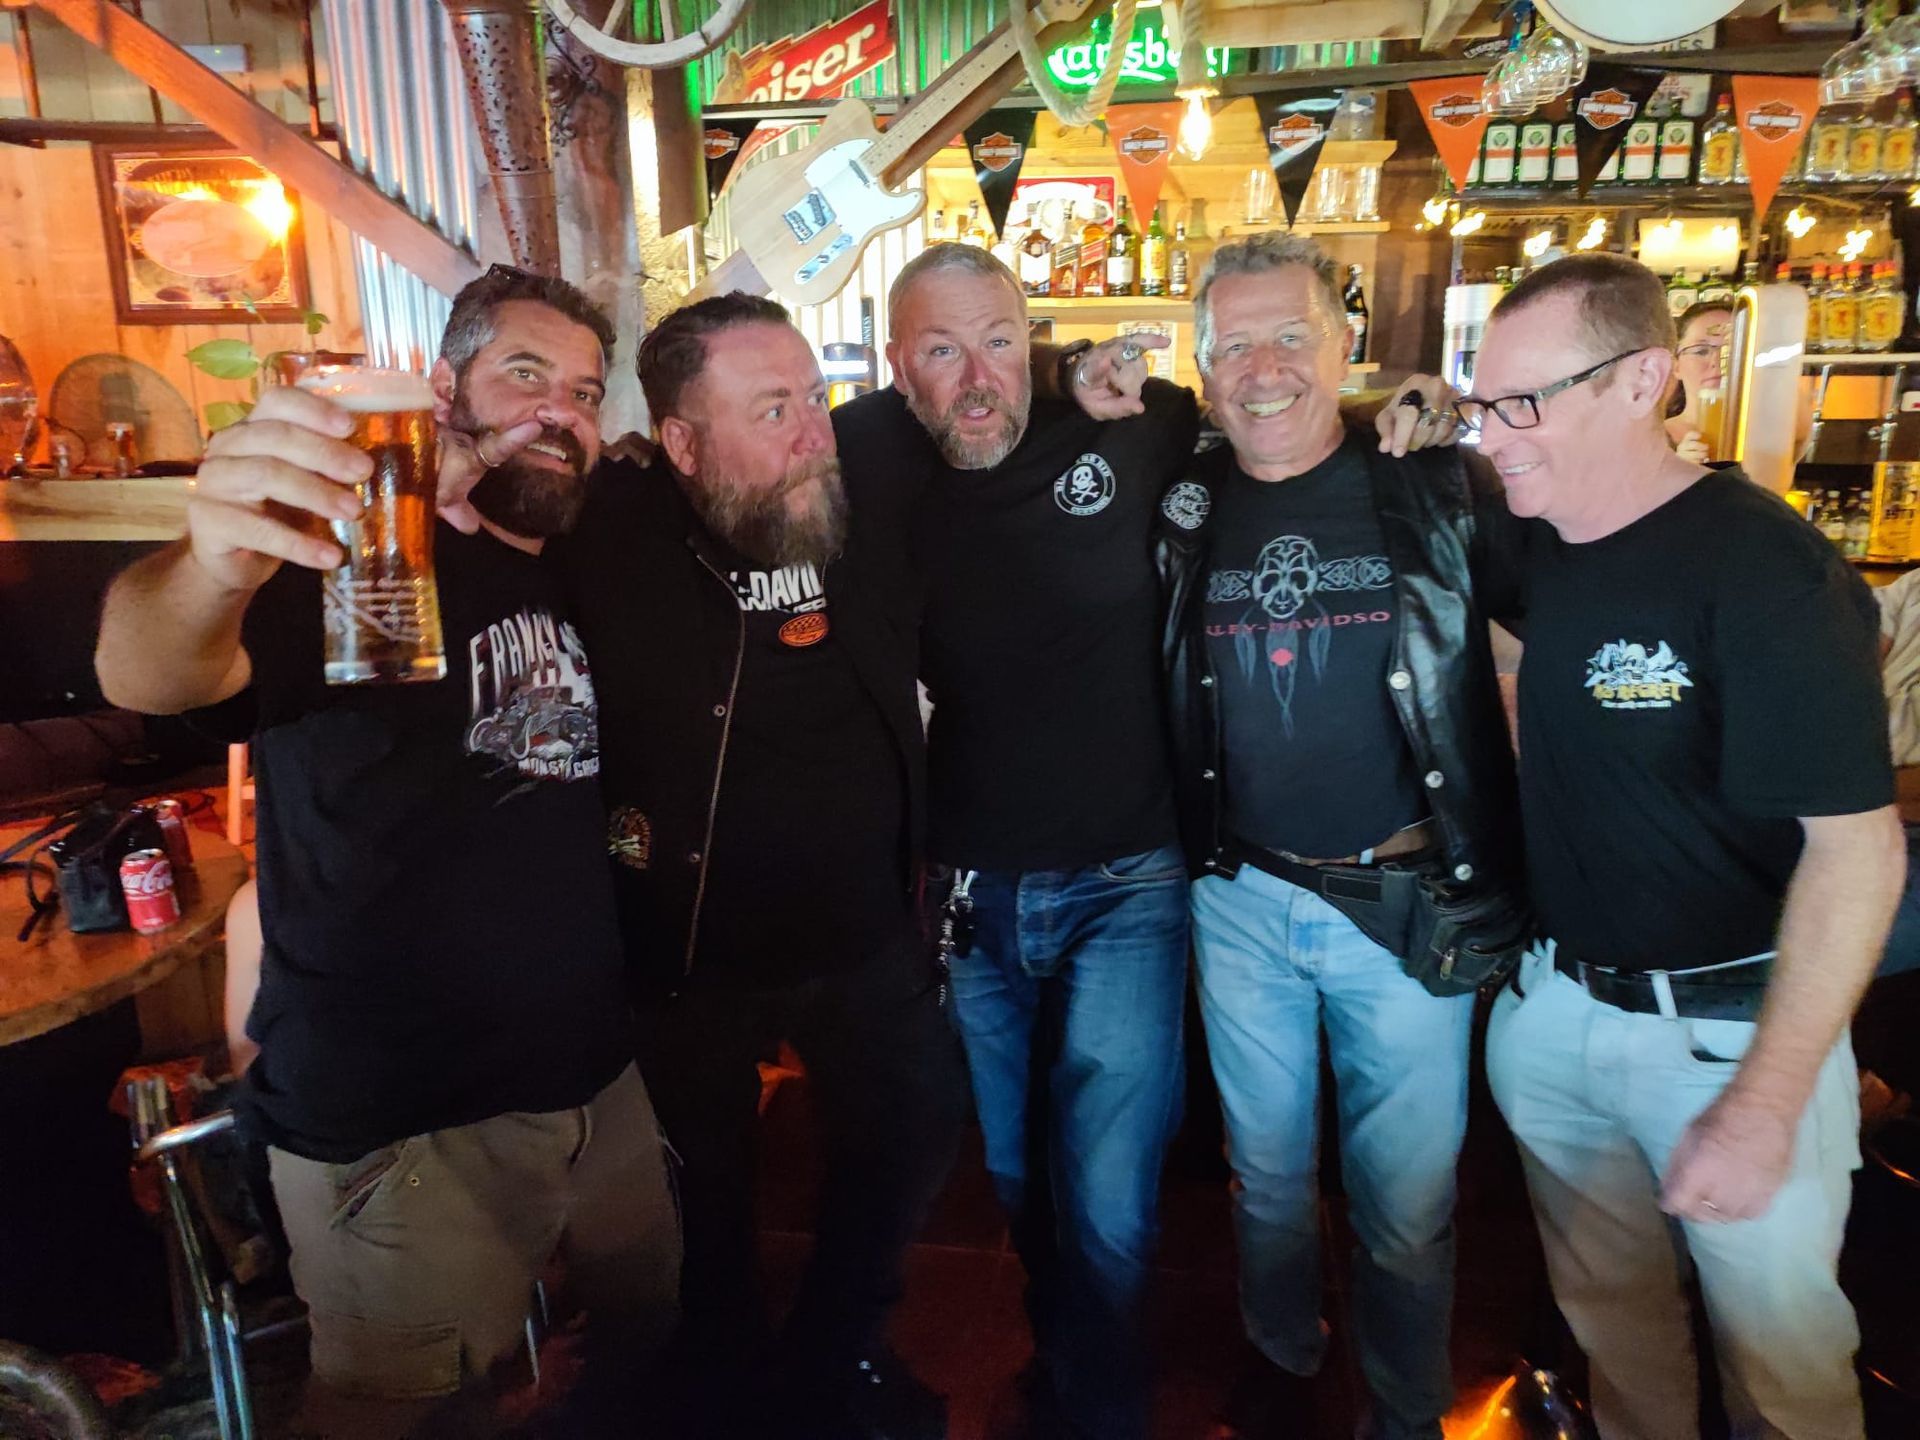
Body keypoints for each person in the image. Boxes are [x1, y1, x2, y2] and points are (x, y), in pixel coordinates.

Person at [94, 267, 680, 1440]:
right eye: (523, 373)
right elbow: (149, 672)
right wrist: (212, 560)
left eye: (579, 387)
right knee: (398, 1417)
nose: (556, 407)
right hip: (408, 1123)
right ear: (445, 384)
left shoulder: (569, 556)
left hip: (591, 1081)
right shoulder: (359, 556)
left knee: (644, 1340)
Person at [1461, 253, 1902, 1440]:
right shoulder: (1541, 534)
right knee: (1616, 1331)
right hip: (1555, 1011)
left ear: (1644, 379)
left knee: (1784, 1372)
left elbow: (1859, 853)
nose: (1494, 435)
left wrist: (1768, 1101)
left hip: (1729, 1035)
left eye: (1522, 404)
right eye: (1479, 402)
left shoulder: (1765, 570)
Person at [550, 291, 965, 1440]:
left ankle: (836, 1352)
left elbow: (990, 391)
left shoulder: (861, 481)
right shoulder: (609, 525)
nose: (810, 433)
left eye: (814, 399)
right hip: (687, 953)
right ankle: (725, 1381)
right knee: (705, 1202)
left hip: (869, 931)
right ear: (680, 442)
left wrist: (1103, 383)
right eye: (772, 409)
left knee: (916, 1129)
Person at [1150, 231, 1529, 1440]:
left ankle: (1409, 1413)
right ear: (1204, 368)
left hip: (1406, 897)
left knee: (1406, 1204)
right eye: (1234, 344)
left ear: (1345, 344)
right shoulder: (1185, 505)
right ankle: (1284, 1362)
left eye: (1290, 337)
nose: (1263, 367)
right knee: (1262, 1179)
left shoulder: (1438, 483)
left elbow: (1546, 628)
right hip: (1242, 896)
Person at [827, 243, 1200, 1440]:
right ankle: (1064, 1348)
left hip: (1130, 873)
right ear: (898, 368)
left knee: (1109, 1189)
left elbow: (1275, 417)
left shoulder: (1129, 421)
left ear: (1032, 336)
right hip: (974, 887)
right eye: (941, 350)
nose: (976, 375)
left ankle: (1099, 1404)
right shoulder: (867, 452)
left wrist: (1404, 413)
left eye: (998, 340)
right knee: (1015, 1171)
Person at [1664, 301, 1732, 465]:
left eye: (1731, 350)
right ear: (1676, 366)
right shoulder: (1652, 437)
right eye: (1701, 350)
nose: (1717, 361)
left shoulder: (1766, 436)